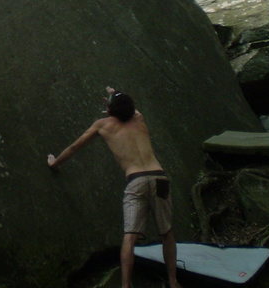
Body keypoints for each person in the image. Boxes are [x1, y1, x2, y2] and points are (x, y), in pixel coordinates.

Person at [46, 87, 182, 288]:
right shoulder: (139, 118)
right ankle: (173, 281)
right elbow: (128, 106)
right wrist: (115, 94)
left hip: (136, 181)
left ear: (110, 111)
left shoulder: (102, 125)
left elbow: (75, 147)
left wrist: (55, 162)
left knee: (130, 236)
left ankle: (126, 285)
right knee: (166, 232)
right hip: (159, 178)